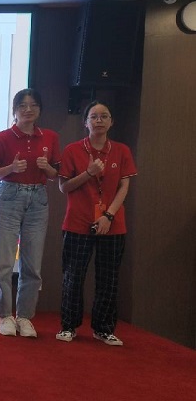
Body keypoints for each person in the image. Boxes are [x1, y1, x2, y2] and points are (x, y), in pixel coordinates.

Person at [57, 100, 136, 346]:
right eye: (94, 116)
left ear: (112, 122)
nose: (99, 120)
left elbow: (124, 187)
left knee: (108, 278)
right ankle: (69, 326)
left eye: (104, 116)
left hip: (112, 224)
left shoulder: (122, 150)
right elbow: (64, 187)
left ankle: (103, 328)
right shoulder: (72, 150)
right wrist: (89, 172)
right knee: (73, 277)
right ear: (85, 123)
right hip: (78, 222)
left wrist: (108, 216)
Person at [0, 89, 60, 338]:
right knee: (5, 262)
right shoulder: (2, 138)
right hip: (9, 196)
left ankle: (25, 316)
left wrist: (46, 167)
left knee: (33, 264)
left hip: (38, 198)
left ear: (40, 109)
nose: (28, 110)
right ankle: (5, 315)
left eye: (33, 105)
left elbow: (55, 175)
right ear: (14, 110)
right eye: (23, 105)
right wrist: (11, 168)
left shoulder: (50, 137)